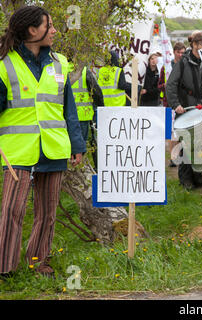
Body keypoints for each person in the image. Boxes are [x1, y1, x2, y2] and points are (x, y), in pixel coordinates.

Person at [0, 6, 86, 277]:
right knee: (12, 211)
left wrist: (77, 144)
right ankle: (4, 266)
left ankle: (38, 261)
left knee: (47, 214)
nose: (54, 30)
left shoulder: (60, 62)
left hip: (54, 147)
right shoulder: (5, 65)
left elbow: (68, 108)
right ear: (31, 31)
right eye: (49, 26)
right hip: (18, 151)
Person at [166, 32, 202, 190]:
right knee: (186, 143)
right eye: (200, 45)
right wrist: (175, 104)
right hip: (185, 107)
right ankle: (185, 179)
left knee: (198, 143)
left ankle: (197, 176)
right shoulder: (182, 63)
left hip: (201, 107)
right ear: (194, 45)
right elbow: (171, 85)